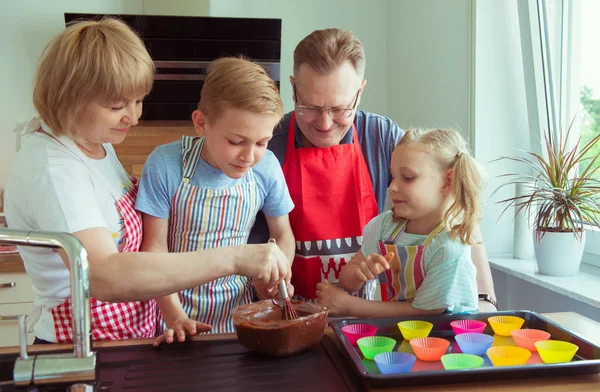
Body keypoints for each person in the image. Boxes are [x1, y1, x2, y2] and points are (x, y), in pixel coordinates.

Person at [4, 18, 290, 344]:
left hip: (129, 336)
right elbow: (101, 274)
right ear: (68, 96)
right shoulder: (53, 170)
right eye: (117, 106)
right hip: (84, 342)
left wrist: (174, 315)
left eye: (137, 100)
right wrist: (235, 258)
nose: (134, 117)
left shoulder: (94, 144)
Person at [249, 28, 497, 311]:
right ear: (292, 88)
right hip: (291, 313)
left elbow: (458, 205)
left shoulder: (383, 136)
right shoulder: (266, 146)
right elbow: (253, 240)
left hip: (369, 318)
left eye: (341, 109)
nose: (326, 124)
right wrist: (262, 282)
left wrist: (484, 297)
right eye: (311, 108)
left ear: (360, 91)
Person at [135, 57, 295, 343]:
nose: (249, 156)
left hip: (242, 316)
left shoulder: (266, 167)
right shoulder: (166, 163)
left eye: (261, 142)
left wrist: (277, 277)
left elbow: (282, 233)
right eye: (236, 141)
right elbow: (154, 249)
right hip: (174, 313)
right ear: (201, 123)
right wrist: (174, 315)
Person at [315, 128, 483, 316]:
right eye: (393, 176)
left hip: (443, 339)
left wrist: (348, 305)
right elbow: (347, 279)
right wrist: (359, 273)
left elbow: (425, 313)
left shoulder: (450, 247)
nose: (392, 187)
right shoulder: (385, 227)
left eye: (408, 178)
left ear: (447, 182)